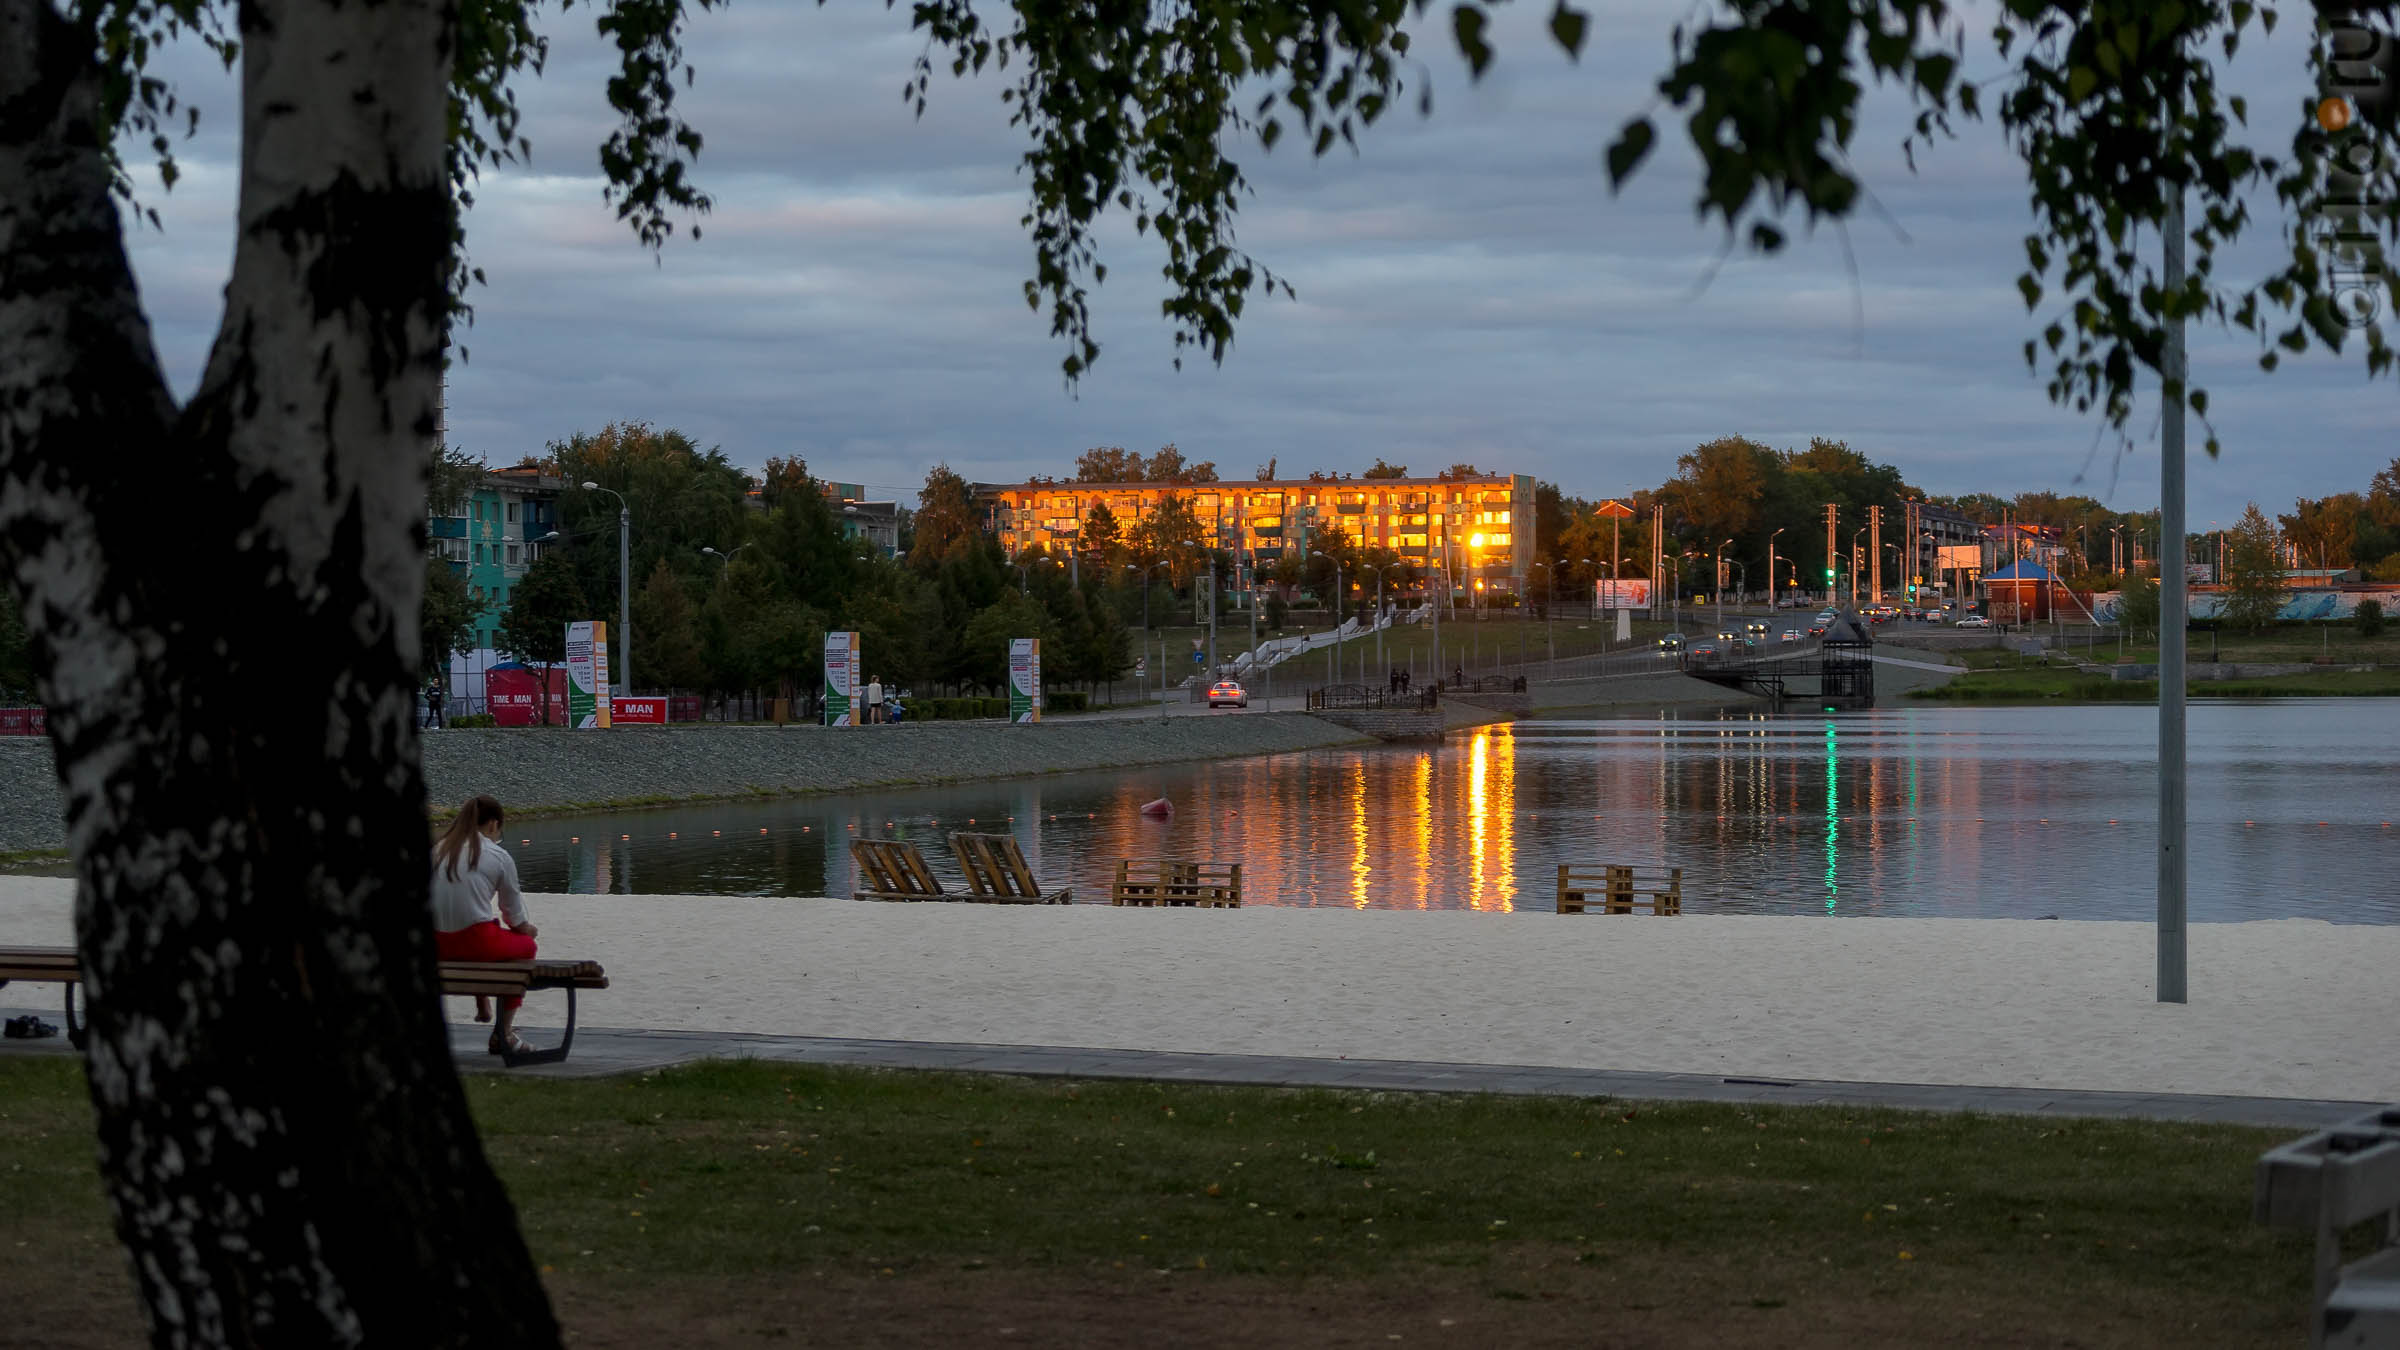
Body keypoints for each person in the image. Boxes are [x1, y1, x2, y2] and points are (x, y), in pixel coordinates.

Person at [428, 794, 539, 1056]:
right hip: (474, 941)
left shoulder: (438, 850)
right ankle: (505, 1032)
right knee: (525, 946)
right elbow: (513, 916)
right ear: (492, 825)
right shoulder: (496, 855)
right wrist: (528, 929)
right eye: (498, 829)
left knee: (485, 931)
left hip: (436, 943)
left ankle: (483, 1006)